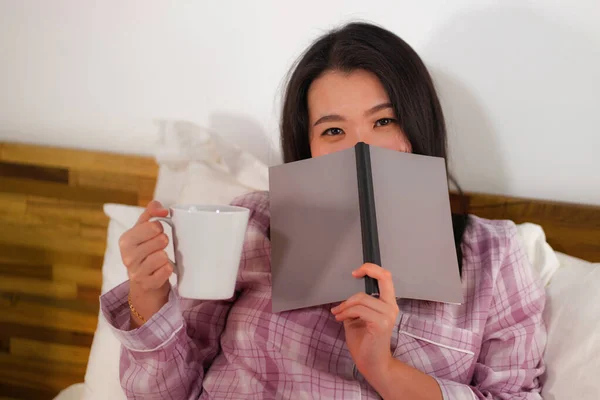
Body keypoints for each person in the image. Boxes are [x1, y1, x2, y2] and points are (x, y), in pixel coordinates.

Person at [101, 22, 546, 399]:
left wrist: (385, 370)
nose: (360, 148)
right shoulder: (252, 223)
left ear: (417, 125)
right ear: (308, 148)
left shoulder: (492, 255)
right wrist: (149, 296)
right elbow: (167, 393)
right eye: (333, 130)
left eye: (383, 121)